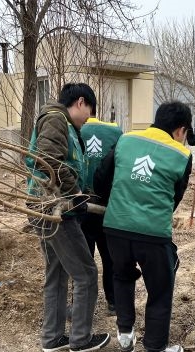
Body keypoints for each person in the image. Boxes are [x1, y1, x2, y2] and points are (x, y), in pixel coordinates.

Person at [94, 100, 192, 352]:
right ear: (180, 130)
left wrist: (117, 203)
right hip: (152, 233)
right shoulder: (181, 155)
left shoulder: (126, 140)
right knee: (160, 288)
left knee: (122, 276)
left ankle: (125, 337)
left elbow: (102, 178)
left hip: (115, 226)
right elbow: (175, 197)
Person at [26, 83, 110, 352]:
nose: (89, 118)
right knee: (86, 274)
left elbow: (66, 164)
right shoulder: (56, 119)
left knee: (57, 272)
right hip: (55, 209)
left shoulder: (66, 125)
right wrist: (75, 193)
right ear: (81, 102)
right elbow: (48, 161)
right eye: (90, 111)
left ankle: (52, 338)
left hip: (49, 207)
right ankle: (81, 339)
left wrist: (83, 194)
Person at [79, 114, 123, 316]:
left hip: (81, 202)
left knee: (84, 259)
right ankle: (113, 302)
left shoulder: (78, 130)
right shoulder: (117, 132)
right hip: (107, 204)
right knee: (110, 257)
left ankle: (82, 306)